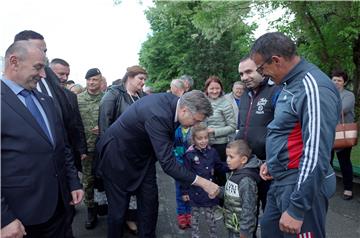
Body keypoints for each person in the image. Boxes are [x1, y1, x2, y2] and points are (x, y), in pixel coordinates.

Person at [252, 32, 341, 238]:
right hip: (281, 179)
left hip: (299, 184)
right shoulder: (290, 83)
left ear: (276, 60)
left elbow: (317, 150)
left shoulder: (313, 88)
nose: (263, 74)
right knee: (269, 230)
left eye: (261, 68)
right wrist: (273, 161)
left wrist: (297, 208)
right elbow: (287, 131)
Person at [96, 90, 220, 238]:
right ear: (185, 110)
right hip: (117, 156)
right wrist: (204, 183)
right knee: (118, 210)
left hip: (144, 157)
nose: (196, 124)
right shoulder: (158, 115)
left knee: (150, 203)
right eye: (196, 120)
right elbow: (168, 164)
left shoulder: (176, 105)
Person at [1, 41, 83, 238]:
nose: (43, 75)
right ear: (14, 62)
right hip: (20, 218)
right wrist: (3, 219)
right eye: (38, 67)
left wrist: (73, 182)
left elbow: (60, 146)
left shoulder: (45, 100)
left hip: (61, 207)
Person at [98, 65, 147, 234]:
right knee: (117, 202)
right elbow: (105, 129)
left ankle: (130, 219)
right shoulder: (112, 95)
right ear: (130, 77)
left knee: (133, 194)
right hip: (117, 155)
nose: (143, 82)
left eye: (144, 79)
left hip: (136, 155)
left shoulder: (141, 96)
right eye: (140, 78)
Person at [181, 123, 229, 238]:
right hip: (194, 192)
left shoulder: (212, 152)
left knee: (210, 218)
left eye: (206, 138)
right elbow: (185, 175)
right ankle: (195, 235)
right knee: (195, 218)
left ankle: (213, 236)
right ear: (193, 139)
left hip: (209, 192)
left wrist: (231, 166)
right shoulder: (189, 155)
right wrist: (185, 192)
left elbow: (218, 166)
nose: (203, 141)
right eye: (200, 138)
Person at [77, 68, 105, 229]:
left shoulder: (107, 98)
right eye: (89, 80)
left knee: (105, 179)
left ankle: (105, 206)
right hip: (87, 148)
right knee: (88, 180)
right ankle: (91, 210)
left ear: (100, 81)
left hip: (103, 148)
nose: (92, 82)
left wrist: (103, 128)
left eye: (95, 79)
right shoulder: (78, 99)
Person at [204, 76, 236, 201]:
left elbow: (233, 127)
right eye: (211, 88)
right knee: (206, 172)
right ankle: (209, 200)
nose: (214, 91)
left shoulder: (225, 103)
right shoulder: (204, 102)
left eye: (217, 88)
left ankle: (222, 202)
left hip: (220, 145)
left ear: (221, 89)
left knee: (220, 173)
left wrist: (214, 131)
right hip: (204, 143)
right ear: (206, 89)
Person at [222, 140, 261, 238]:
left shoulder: (246, 180)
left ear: (243, 159)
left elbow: (249, 208)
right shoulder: (236, 171)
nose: (227, 160)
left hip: (241, 231)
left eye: (231, 157)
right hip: (233, 225)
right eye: (227, 156)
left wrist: (245, 230)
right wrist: (218, 191)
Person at [331, 69, 355, 200]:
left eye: (339, 80)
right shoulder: (328, 93)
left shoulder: (348, 95)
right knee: (326, 161)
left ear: (344, 83)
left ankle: (348, 188)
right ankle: (327, 185)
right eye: (334, 79)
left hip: (342, 134)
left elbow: (341, 109)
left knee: (344, 162)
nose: (336, 82)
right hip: (328, 132)